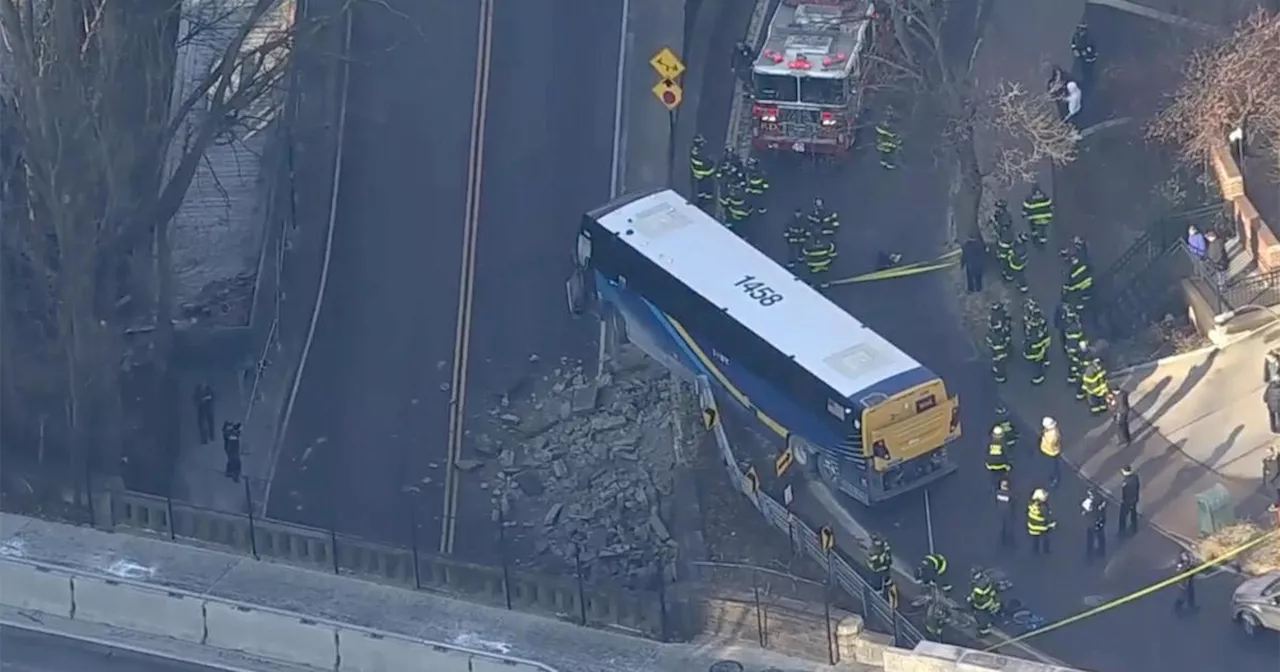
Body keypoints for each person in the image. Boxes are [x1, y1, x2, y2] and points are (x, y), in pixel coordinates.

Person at [967, 569, 1001, 637]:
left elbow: (979, 599)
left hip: (984, 604)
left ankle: (984, 631)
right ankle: (988, 623)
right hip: (989, 600)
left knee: (981, 617)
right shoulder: (984, 580)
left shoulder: (978, 586)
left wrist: (972, 599)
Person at [689, 135, 717, 210]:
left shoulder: (693, 150)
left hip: (697, 175)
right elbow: (707, 166)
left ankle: (701, 201)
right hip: (705, 175)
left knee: (700, 190)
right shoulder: (702, 154)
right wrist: (713, 167)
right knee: (707, 189)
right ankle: (707, 202)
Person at [1027, 487, 1057, 554]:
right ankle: (1046, 551)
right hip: (1042, 527)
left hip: (1032, 526)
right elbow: (1047, 517)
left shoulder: (1031, 503)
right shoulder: (1043, 508)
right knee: (1045, 538)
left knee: (1035, 540)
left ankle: (1035, 551)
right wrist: (1052, 524)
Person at [1081, 488, 1108, 559]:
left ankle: (1089, 557)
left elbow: (1087, 512)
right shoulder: (1102, 501)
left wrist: (1085, 512)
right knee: (1101, 536)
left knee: (1090, 540)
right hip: (1100, 521)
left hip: (1092, 523)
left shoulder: (1091, 503)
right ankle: (1102, 551)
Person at [1071, 24, 1098, 92]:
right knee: (1083, 70)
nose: (1079, 31)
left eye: (1081, 29)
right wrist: (1075, 49)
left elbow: (1091, 49)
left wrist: (1085, 52)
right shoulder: (1076, 35)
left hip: (1089, 59)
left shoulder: (1089, 38)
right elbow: (1073, 43)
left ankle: (1090, 85)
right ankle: (1085, 82)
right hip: (1082, 58)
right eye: (1078, 28)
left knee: (1088, 71)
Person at [988, 315, 1012, 384]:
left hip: (999, 354)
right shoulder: (999, 335)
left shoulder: (994, 336)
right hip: (1001, 354)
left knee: (1000, 362)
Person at [987, 425, 1012, 490]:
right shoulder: (1003, 443)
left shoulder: (989, 442)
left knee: (993, 479)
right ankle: (1002, 488)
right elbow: (1007, 453)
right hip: (1002, 466)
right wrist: (1009, 464)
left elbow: (986, 452)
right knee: (1003, 477)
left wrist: (987, 462)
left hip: (991, 465)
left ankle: (994, 488)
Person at [1118, 465, 1140, 537]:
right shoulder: (1135, 477)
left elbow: (1125, 493)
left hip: (1127, 501)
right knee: (1133, 513)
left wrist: (1123, 500)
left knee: (1122, 516)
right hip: (1134, 499)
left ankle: (1121, 531)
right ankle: (1134, 528)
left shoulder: (1126, 481)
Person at [1040, 417, 1062, 488]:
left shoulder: (1054, 434)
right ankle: (1053, 476)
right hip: (1046, 449)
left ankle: (1055, 479)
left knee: (1053, 467)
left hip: (1052, 452)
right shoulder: (1048, 430)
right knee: (1050, 465)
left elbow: (1054, 443)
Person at [996, 476, 1016, 547]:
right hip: (1007, 511)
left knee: (1004, 525)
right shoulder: (1009, 494)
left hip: (1003, 511)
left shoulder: (998, 492)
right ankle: (1007, 539)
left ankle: (1004, 538)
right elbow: (1013, 502)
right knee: (1006, 525)